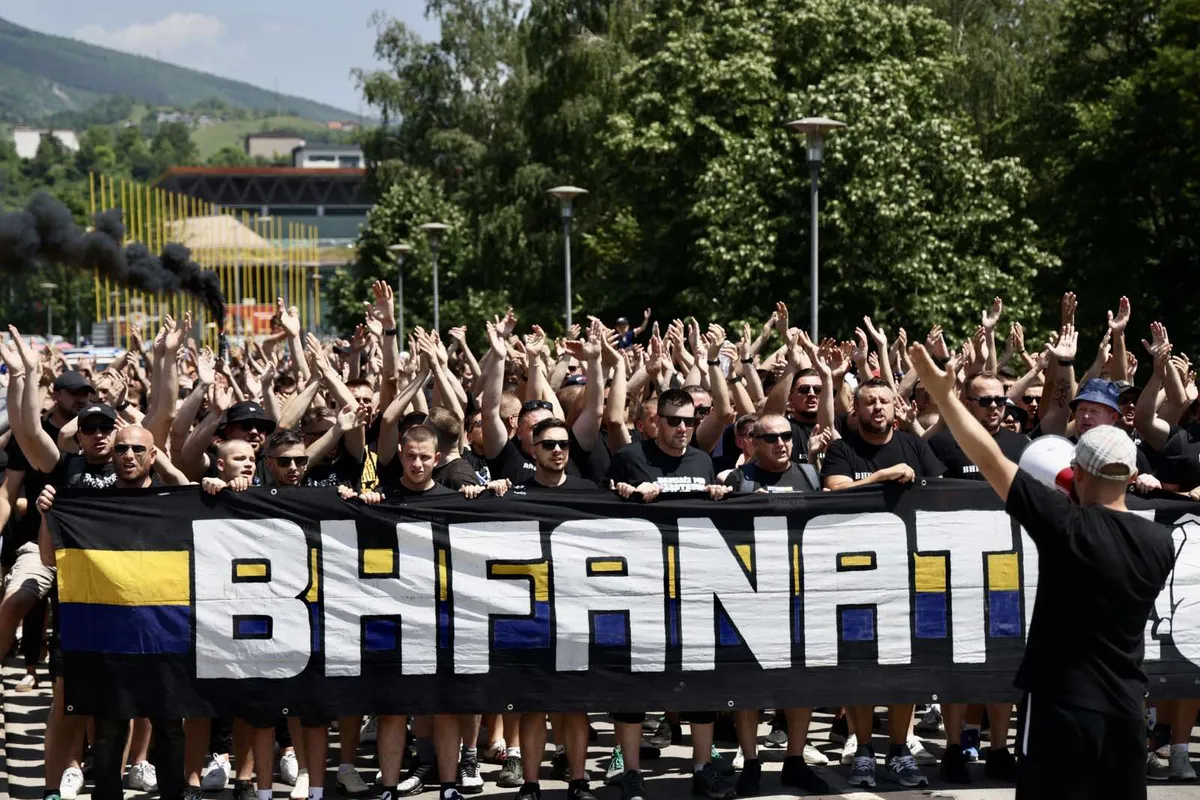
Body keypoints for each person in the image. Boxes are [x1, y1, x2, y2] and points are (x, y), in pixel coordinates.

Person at [908, 342, 1174, 800]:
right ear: (1131, 475)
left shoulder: (1067, 525)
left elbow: (991, 459)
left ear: (1078, 473)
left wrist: (946, 397)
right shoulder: (1160, 542)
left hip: (1061, 705)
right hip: (1127, 708)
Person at [36, 426, 188, 800]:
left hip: (165, 637)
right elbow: (46, 558)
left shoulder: (177, 502)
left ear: (154, 457)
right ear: (113, 455)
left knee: (169, 728)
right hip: (109, 638)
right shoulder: (86, 504)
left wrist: (220, 489)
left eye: (139, 449)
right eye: (122, 449)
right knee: (108, 731)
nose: (129, 455)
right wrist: (46, 515)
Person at [608, 388, 733, 800]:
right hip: (642, 589)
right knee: (634, 684)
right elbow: (602, 514)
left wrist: (716, 495)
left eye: (690, 421)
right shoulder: (631, 459)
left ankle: (702, 767)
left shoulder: (701, 460)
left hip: (694, 587)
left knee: (698, 681)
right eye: (674, 421)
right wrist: (627, 498)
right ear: (655, 421)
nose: (683, 428)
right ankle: (630, 772)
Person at [821, 377, 945, 789]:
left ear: (896, 407)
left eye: (884, 401)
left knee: (902, 666)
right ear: (854, 411)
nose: (877, 407)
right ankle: (861, 750)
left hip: (907, 573)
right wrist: (880, 478)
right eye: (869, 402)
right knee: (859, 667)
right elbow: (833, 493)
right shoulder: (842, 449)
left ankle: (898, 750)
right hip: (854, 575)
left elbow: (942, 495)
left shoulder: (914, 445)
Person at [926, 372, 1028, 784]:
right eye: (984, 401)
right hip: (957, 571)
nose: (994, 407)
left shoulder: (1022, 445)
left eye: (1000, 400)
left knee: (1004, 663)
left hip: (1009, 570)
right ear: (967, 402)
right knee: (959, 664)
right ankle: (954, 748)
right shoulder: (942, 443)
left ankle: (999, 749)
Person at [506, 419, 598, 800]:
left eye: (563, 444)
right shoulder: (513, 495)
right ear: (533, 450)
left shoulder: (590, 492)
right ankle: (531, 784)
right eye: (548, 445)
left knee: (575, 706)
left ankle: (578, 781)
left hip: (577, 616)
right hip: (530, 619)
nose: (557, 451)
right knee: (533, 706)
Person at [722, 414, 819, 493]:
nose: (780, 444)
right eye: (771, 438)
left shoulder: (811, 475)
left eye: (786, 436)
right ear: (756, 443)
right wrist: (749, 503)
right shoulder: (738, 479)